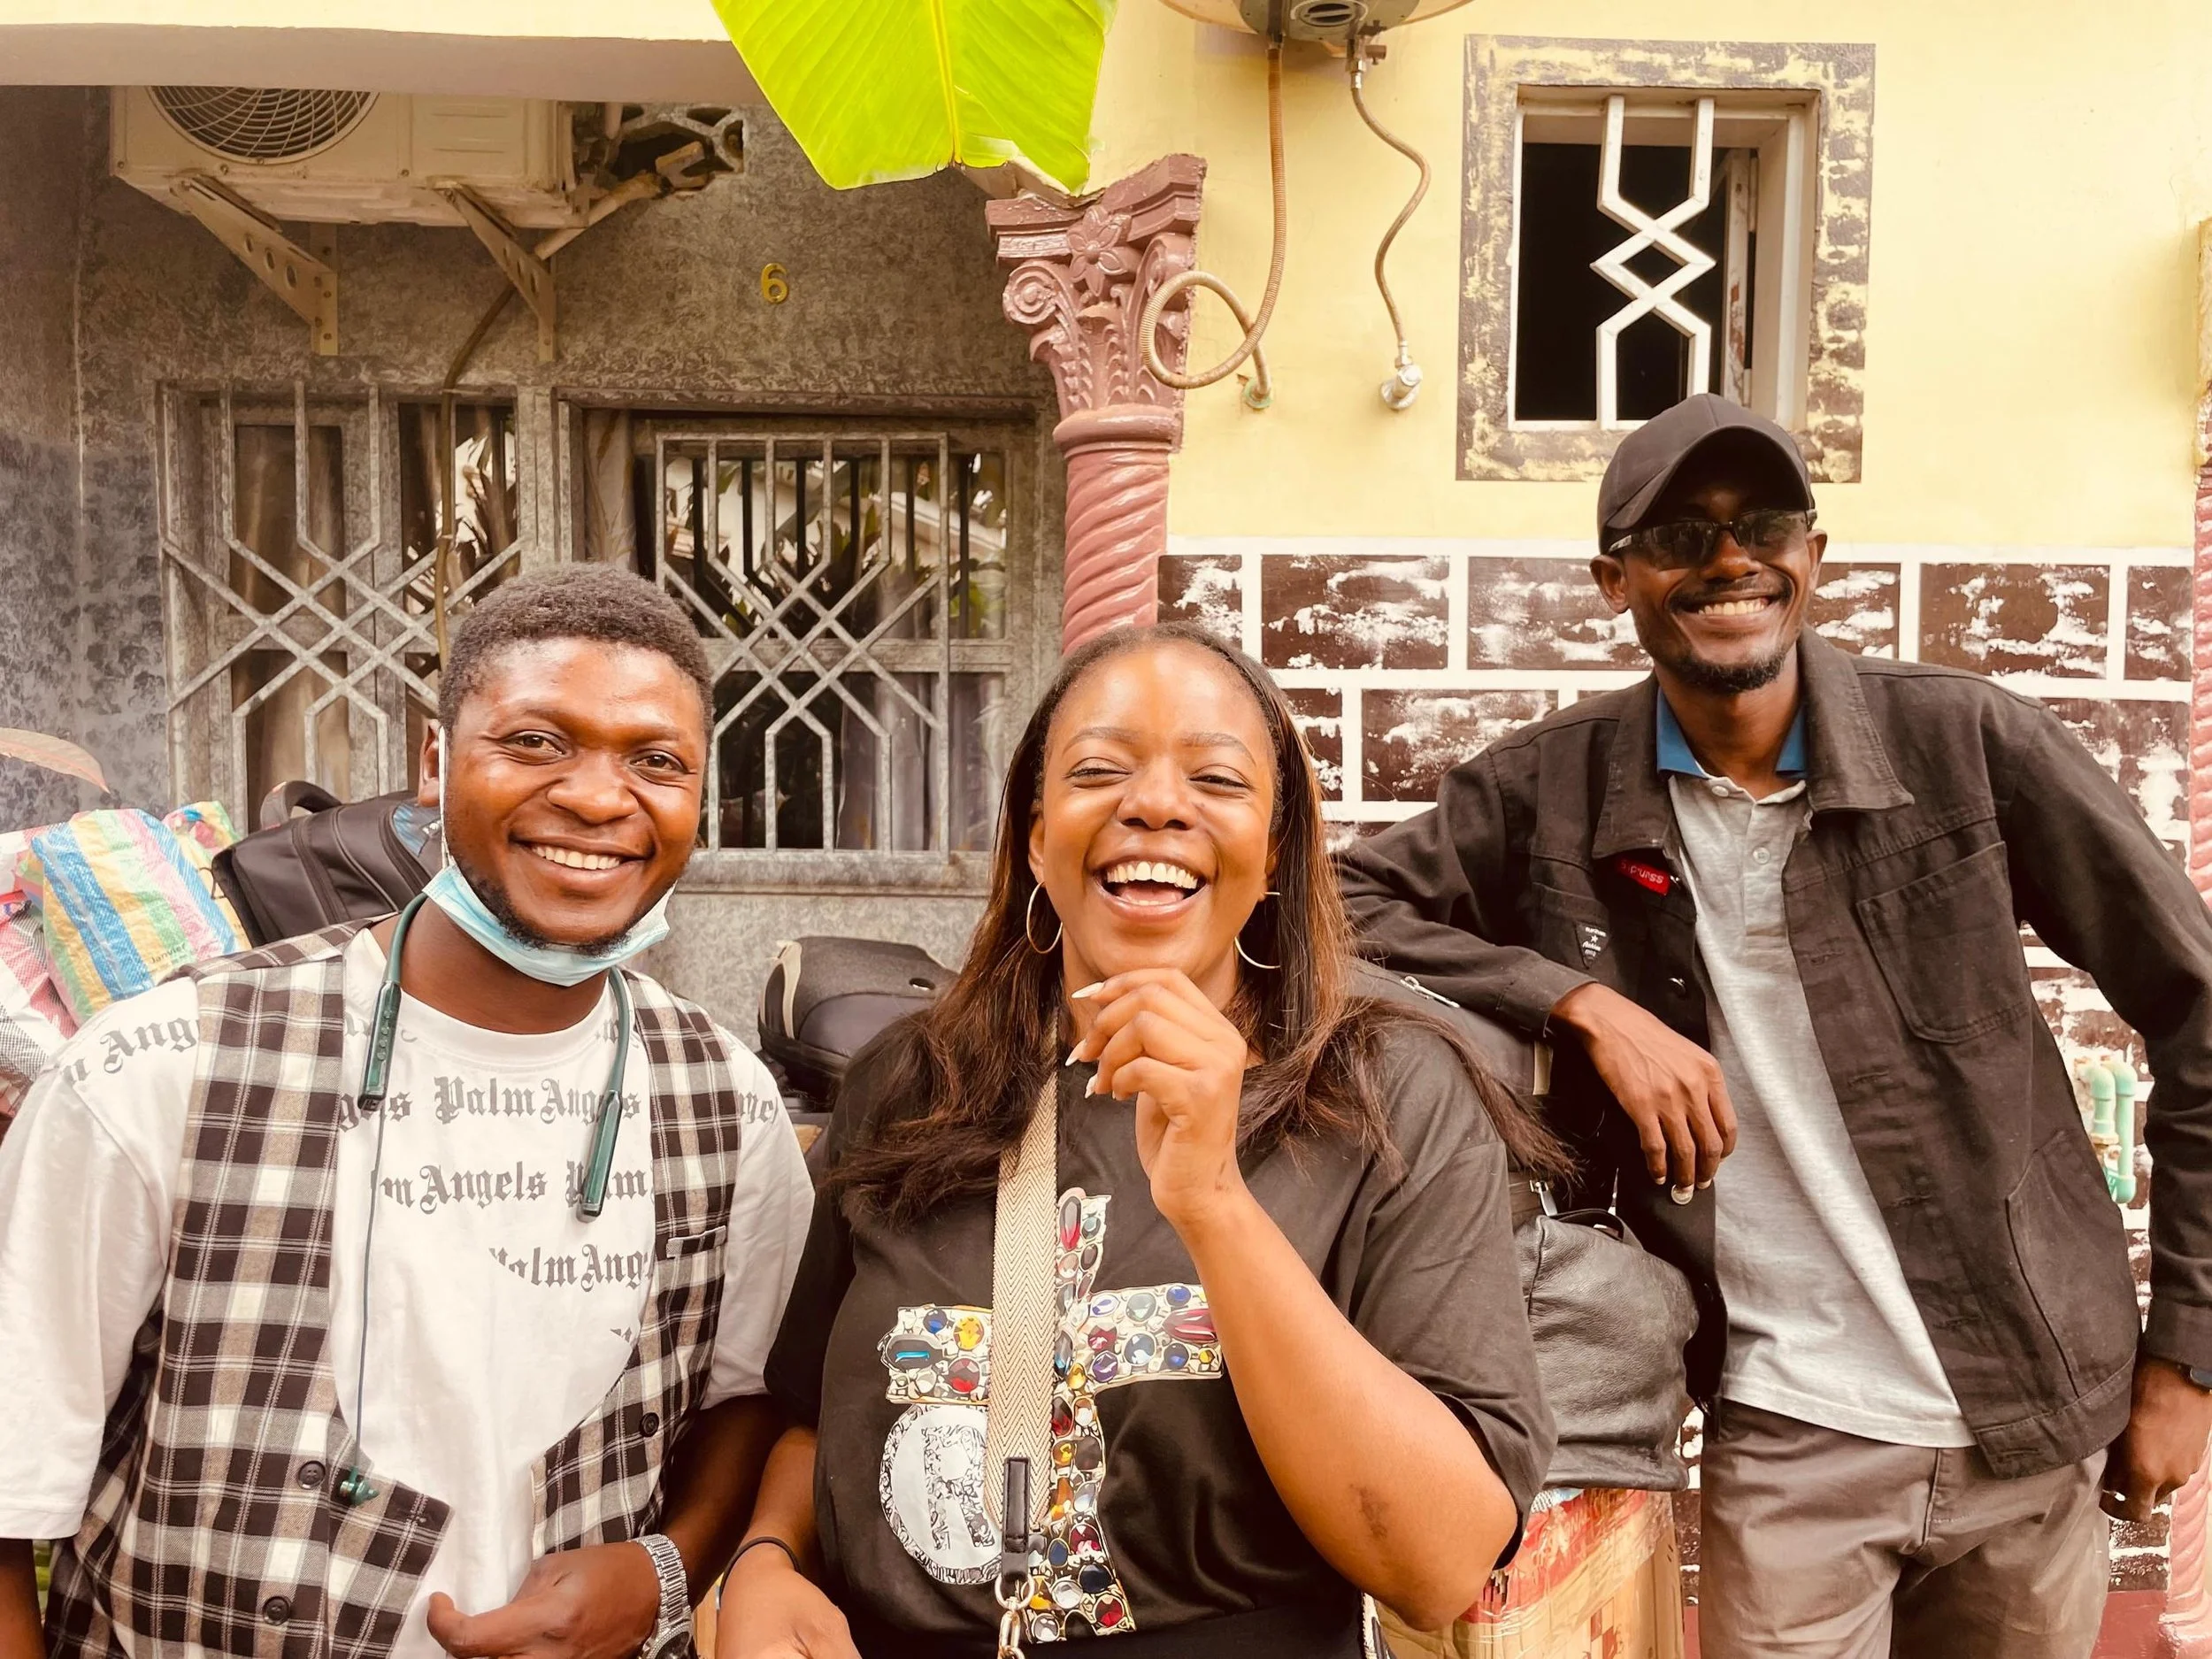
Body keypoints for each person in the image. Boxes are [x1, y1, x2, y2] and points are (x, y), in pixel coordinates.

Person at [1337, 391, 2212, 1658]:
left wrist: (2186, 1359)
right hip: (1786, 1422)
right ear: (1615, 579)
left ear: (1814, 555)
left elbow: (2197, 1010)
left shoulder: (1968, 743)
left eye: (1764, 526)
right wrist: (1577, 1001)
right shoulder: (1549, 787)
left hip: (2030, 1403)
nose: (1729, 559)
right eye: (1679, 534)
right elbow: (1328, 904)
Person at [0, 566, 812, 1659]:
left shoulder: (726, 1100)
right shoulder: (159, 1069)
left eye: (656, 761)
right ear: (434, 761)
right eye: (536, 741)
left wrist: (664, 1573)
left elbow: (743, 1399)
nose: (596, 798)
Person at [721, 623, 1557, 1659]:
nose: (1155, 804)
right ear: (1037, 839)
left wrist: (1212, 1202)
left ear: (1273, 851)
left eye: (1216, 778)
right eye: (1099, 770)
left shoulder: (1388, 1094)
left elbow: (1437, 1565)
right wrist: (767, 1556)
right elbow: (818, 1412)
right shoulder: (908, 1083)